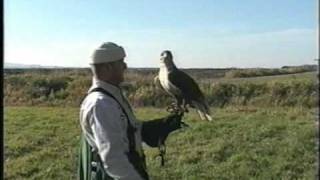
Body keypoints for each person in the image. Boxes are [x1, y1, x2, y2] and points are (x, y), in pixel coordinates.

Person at [78, 42, 185, 180]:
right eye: (121, 62)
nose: (125, 66)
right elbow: (114, 160)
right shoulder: (102, 104)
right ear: (107, 67)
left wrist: (157, 127)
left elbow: (123, 132)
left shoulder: (110, 96)